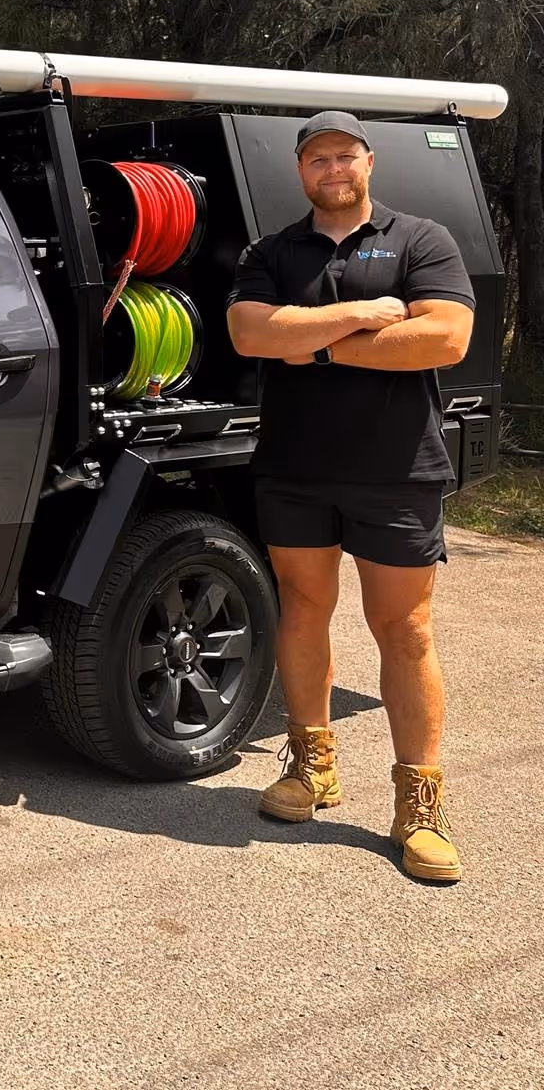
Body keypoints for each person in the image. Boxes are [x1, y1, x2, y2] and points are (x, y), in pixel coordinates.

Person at [225, 110, 475, 883]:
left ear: (368, 161)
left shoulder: (423, 239)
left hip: (397, 471)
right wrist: (364, 319)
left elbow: (444, 338)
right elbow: (250, 334)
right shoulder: (271, 251)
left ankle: (419, 808)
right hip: (294, 467)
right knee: (302, 607)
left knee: (403, 628)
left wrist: (314, 341)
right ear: (300, 172)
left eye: (344, 155)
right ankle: (311, 768)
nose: (331, 168)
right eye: (316, 158)